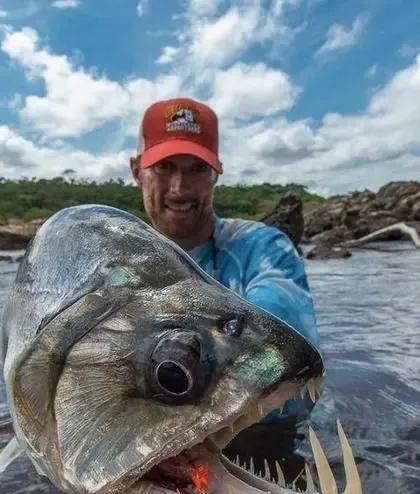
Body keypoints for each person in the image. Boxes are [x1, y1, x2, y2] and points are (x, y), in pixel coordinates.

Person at [130, 97, 320, 424]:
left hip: (264, 436)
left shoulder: (263, 248)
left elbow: (277, 331)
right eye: (164, 167)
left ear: (216, 174)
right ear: (137, 172)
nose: (179, 188)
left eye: (197, 169)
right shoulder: (119, 267)